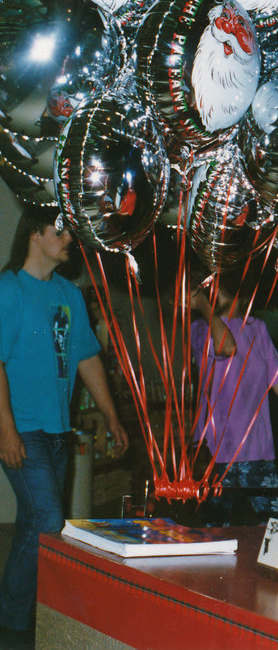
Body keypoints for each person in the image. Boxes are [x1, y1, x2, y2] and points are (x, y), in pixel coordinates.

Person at [0, 206, 129, 644]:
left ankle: (20, 612)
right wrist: (6, 430)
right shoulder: (8, 290)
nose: (70, 239)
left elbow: (87, 357)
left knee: (33, 525)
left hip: (57, 431)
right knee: (47, 521)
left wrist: (112, 416)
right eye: (61, 230)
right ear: (34, 235)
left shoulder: (70, 296)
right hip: (22, 429)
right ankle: (15, 626)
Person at [189, 279, 278, 524]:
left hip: (257, 449)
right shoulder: (201, 328)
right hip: (214, 451)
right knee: (213, 531)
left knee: (272, 527)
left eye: (219, 290)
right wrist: (205, 308)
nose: (214, 295)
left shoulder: (258, 329)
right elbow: (226, 346)